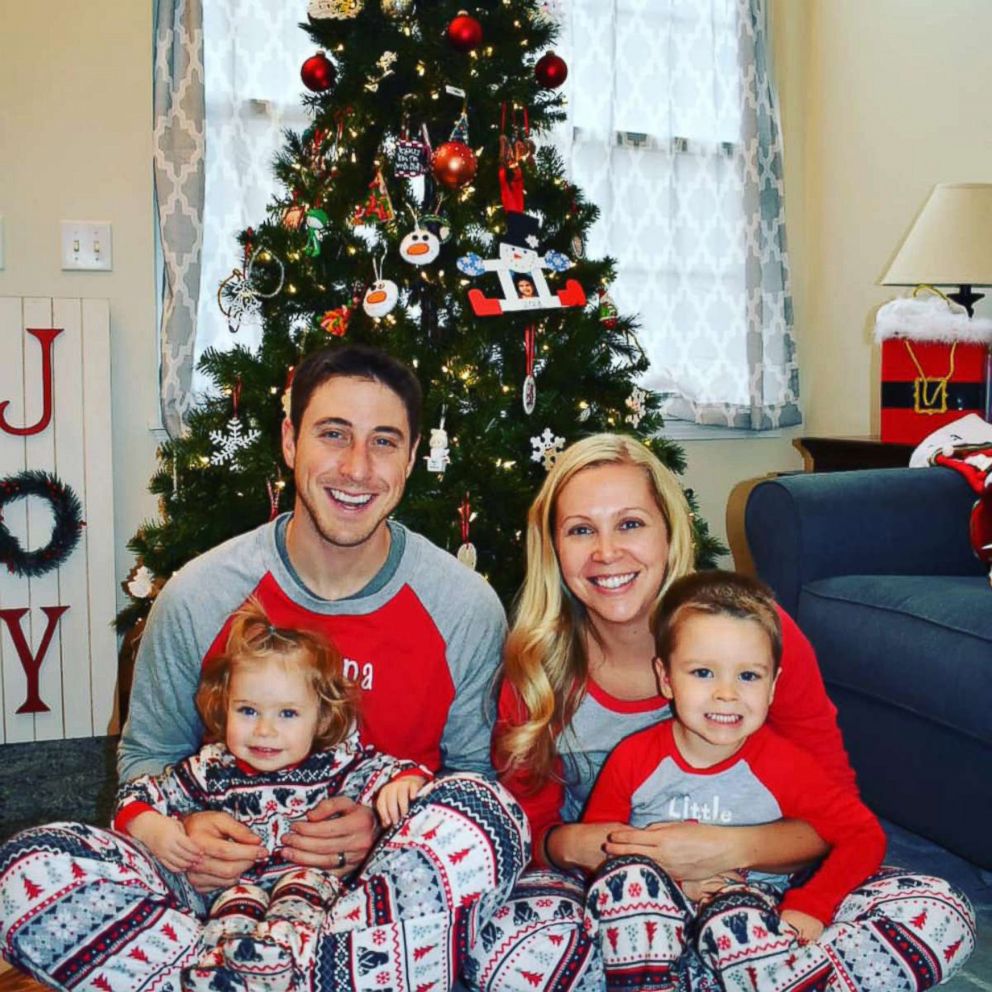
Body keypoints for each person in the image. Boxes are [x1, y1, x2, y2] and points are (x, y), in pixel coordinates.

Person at [0, 344, 528, 992]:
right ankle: (220, 970)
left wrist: (386, 829)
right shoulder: (200, 593)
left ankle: (297, 973)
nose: (357, 468)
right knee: (28, 872)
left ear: (413, 458)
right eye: (333, 434)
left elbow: (466, 786)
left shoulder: (463, 607)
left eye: (384, 442)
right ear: (289, 440)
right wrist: (186, 831)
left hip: (383, 911)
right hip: (213, 894)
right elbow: (146, 758)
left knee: (489, 816)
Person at [468, 433, 975, 992]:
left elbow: (837, 815)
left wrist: (729, 849)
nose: (606, 552)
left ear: (670, 530)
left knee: (938, 913)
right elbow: (527, 838)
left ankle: (734, 972)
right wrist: (580, 846)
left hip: (764, 892)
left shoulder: (758, 635)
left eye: (631, 524)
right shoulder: (537, 667)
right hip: (616, 903)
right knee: (509, 956)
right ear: (554, 547)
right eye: (581, 529)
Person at [582, 570, 887, 991]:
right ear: (666, 678)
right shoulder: (634, 758)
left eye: (748, 676)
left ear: (774, 685)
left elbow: (863, 834)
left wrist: (811, 905)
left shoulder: (785, 764)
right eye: (703, 673)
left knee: (936, 911)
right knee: (625, 886)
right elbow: (600, 850)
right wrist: (670, 882)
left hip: (749, 928)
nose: (727, 694)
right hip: (649, 930)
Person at [115, 599, 431, 991]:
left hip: (310, 888)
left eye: (287, 714)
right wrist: (148, 825)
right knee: (232, 910)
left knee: (301, 890)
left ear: (322, 717)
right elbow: (142, 792)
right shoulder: (211, 768)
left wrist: (403, 784)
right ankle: (218, 973)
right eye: (248, 711)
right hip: (232, 887)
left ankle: (290, 971)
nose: (264, 731)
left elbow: (396, 772)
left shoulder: (335, 763)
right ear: (224, 707)